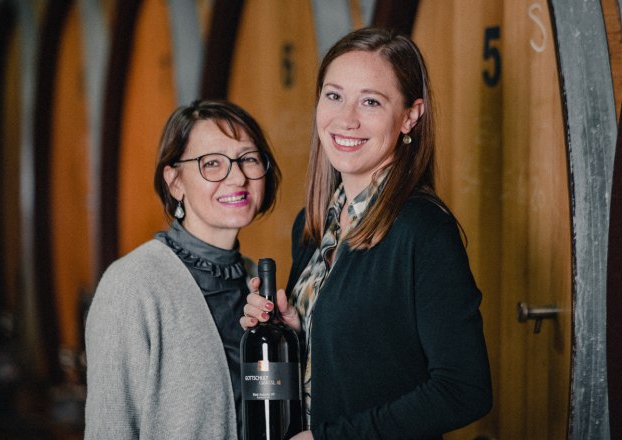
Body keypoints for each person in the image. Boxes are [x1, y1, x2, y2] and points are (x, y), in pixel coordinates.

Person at [241, 27, 492, 439]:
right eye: (334, 95)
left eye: (371, 101)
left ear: (410, 115)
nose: (346, 119)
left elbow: (464, 390)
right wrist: (291, 330)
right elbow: (359, 360)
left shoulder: (423, 230)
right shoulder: (313, 224)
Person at [84, 99, 281, 439]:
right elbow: (109, 428)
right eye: (213, 163)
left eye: (248, 159)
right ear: (175, 181)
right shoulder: (133, 284)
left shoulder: (254, 282)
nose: (237, 177)